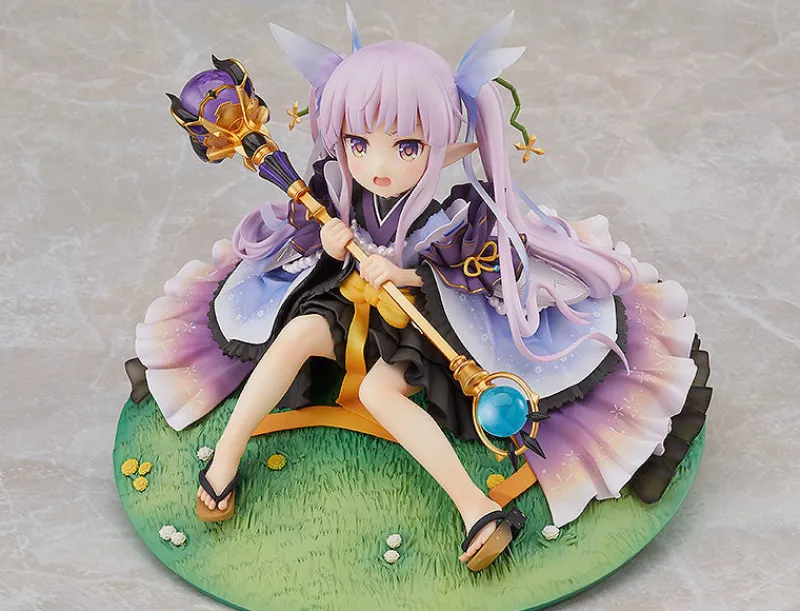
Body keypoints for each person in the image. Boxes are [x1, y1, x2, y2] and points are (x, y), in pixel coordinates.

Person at [126, 11, 710, 572]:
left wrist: (407, 276)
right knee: (298, 333)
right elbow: (308, 231)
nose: (377, 165)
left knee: (381, 393)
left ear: (444, 145)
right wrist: (328, 238)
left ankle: (477, 511)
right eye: (359, 144)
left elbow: (477, 270)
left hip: (422, 320)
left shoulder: (454, 215)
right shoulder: (336, 191)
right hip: (350, 302)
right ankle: (224, 461)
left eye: (406, 147)